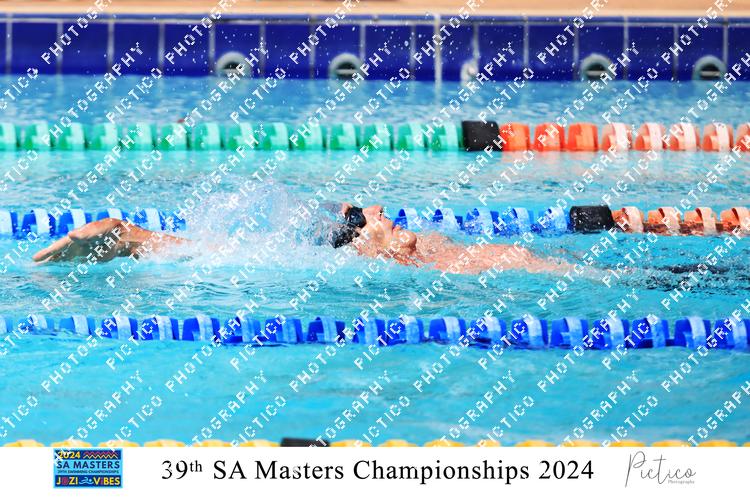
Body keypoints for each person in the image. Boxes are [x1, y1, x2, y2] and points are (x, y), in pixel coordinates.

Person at [32, 204, 573, 275]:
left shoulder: (422, 246)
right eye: (369, 217)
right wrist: (121, 234)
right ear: (362, 245)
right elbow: (198, 250)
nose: (381, 211)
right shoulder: (382, 263)